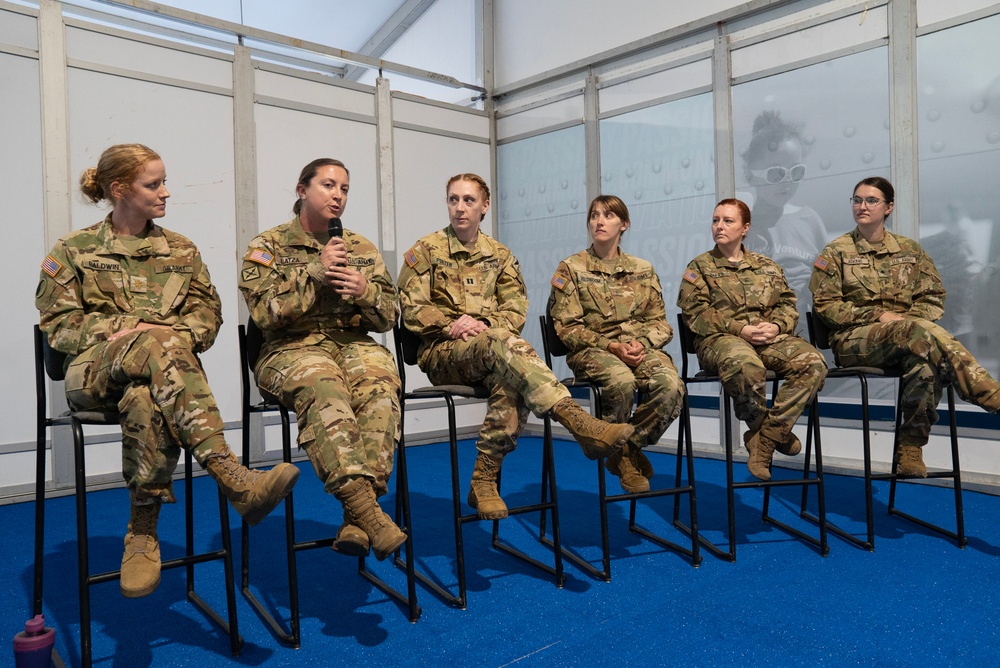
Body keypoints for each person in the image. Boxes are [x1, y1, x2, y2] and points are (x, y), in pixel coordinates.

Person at [35, 144, 299, 599]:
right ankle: (232, 477)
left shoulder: (181, 249)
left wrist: (168, 338)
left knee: (147, 395)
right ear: (119, 189)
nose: (166, 192)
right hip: (91, 376)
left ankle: (142, 532)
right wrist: (130, 328)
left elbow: (207, 313)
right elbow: (58, 325)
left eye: (163, 182)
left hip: (159, 379)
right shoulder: (72, 250)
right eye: (153, 184)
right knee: (158, 345)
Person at [397, 173, 634, 520]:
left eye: (469, 200)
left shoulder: (501, 255)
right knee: (503, 345)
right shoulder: (426, 251)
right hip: (444, 352)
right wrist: (451, 324)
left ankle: (484, 480)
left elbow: (515, 308)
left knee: (513, 380)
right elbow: (412, 307)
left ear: (485, 206)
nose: (460, 208)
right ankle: (578, 421)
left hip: (494, 351)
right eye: (453, 199)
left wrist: (485, 326)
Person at [239, 158, 406, 561]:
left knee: (382, 385)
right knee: (324, 386)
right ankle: (370, 513)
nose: (338, 195)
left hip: (353, 345)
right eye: (328, 185)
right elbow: (263, 314)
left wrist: (365, 290)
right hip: (289, 349)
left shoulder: (361, 248)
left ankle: (355, 516)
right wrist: (315, 271)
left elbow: (388, 316)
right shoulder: (268, 246)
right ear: (302, 190)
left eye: (345, 189)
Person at [810, 176, 1000, 477]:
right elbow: (826, 307)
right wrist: (879, 317)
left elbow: (934, 297)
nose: (862, 206)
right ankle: (988, 393)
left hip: (911, 337)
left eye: (871, 200)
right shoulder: (835, 253)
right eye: (857, 200)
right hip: (854, 341)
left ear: (889, 207)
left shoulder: (910, 250)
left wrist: (909, 321)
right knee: (915, 333)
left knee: (925, 364)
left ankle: (910, 449)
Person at [677, 198, 827, 481]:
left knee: (813, 363)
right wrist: (739, 329)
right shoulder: (700, 267)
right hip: (719, 341)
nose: (719, 226)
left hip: (767, 339)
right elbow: (695, 314)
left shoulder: (766, 266)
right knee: (746, 364)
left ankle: (766, 438)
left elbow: (787, 304)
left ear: (745, 228)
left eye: (728, 221)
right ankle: (765, 431)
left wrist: (776, 325)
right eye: (715, 220)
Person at [548, 195, 685, 492]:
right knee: (621, 380)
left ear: (624, 224)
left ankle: (623, 449)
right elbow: (567, 328)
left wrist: (641, 343)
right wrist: (611, 347)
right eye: (594, 215)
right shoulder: (571, 268)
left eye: (608, 215)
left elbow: (660, 323)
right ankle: (623, 457)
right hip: (593, 351)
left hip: (639, 349)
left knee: (671, 385)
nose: (599, 221)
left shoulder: (642, 269)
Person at [742, 111, 828, 330]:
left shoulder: (810, 220)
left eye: (796, 171)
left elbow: (827, 278)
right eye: (776, 174)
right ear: (750, 174)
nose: (787, 182)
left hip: (805, 327)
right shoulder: (741, 224)